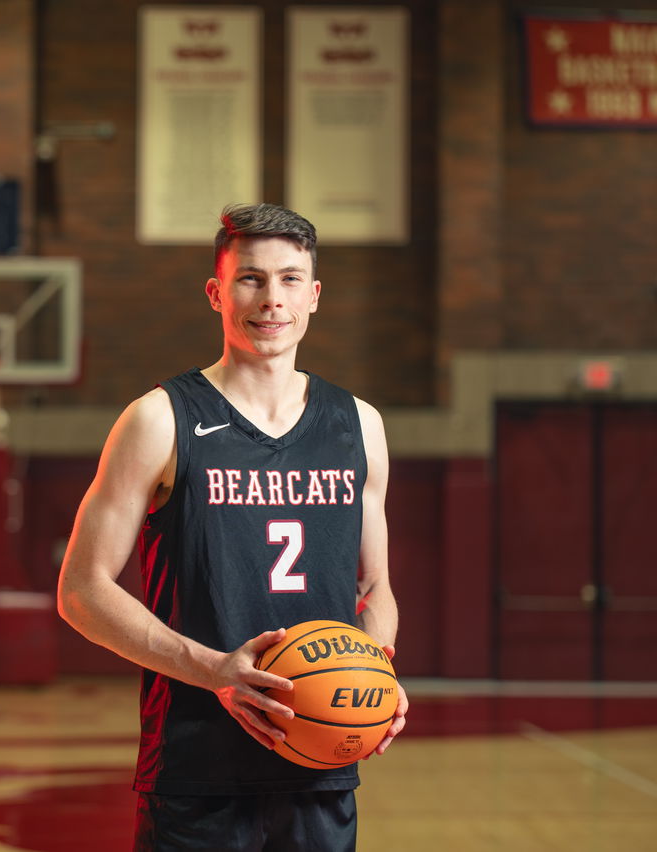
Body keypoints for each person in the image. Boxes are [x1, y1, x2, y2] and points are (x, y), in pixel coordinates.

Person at [56, 202, 408, 851]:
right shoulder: (160, 420)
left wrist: (376, 672)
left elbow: (377, 588)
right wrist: (214, 669)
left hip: (320, 771)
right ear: (217, 292)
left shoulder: (358, 424)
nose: (271, 299)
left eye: (289, 279)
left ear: (315, 294)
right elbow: (80, 590)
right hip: (196, 773)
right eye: (250, 278)